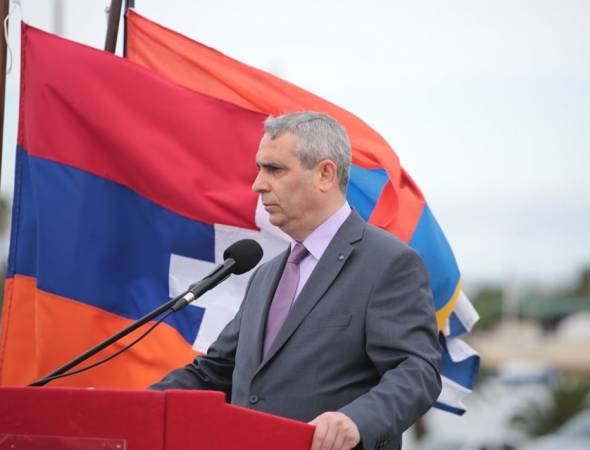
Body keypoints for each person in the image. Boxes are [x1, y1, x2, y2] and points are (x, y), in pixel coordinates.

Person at [149, 111, 442, 450]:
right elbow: (213, 373)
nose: (258, 184)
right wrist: (135, 407)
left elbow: (417, 370)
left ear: (325, 174)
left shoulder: (388, 263)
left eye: (274, 169)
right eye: (259, 169)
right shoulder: (265, 276)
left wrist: (356, 420)